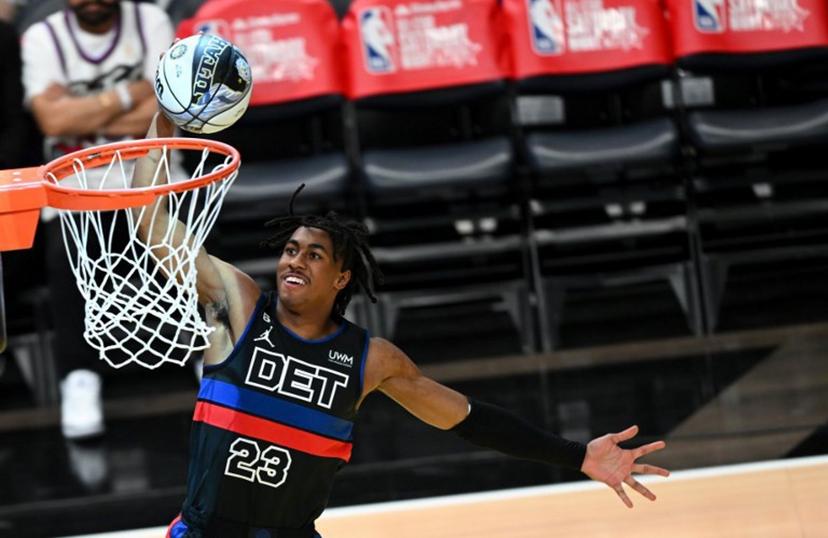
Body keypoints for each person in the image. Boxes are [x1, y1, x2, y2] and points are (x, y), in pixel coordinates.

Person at [132, 112, 671, 537]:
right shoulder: (241, 306)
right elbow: (147, 220)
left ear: (343, 277)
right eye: (291, 250)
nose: (294, 261)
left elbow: (467, 418)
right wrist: (163, 116)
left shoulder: (372, 359)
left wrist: (576, 455)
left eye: (314, 255)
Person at [19, 0, 174, 439]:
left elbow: (169, 112)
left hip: (151, 172)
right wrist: (133, 91)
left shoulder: (153, 22)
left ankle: (209, 357)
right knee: (63, 254)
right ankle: (78, 378)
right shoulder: (42, 37)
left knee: (188, 243)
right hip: (75, 181)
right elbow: (52, 121)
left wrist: (82, 110)